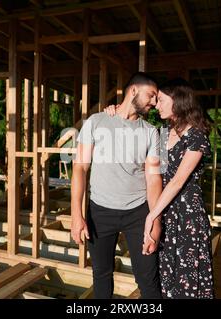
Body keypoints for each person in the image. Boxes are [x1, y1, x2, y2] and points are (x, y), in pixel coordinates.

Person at [104, 78, 214, 299]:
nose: (156, 104)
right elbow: (156, 173)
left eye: (161, 99)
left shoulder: (197, 137)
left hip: (186, 217)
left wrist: (151, 215)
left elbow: (177, 181)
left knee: (186, 279)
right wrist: (115, 111)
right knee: (162, 276)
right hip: (164, 211)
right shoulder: (163, 132)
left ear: (178, 101)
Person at [71, 72, 163, 299]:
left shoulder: (151, 132)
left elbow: (153, 179)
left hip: (138, 213)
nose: (155, 102)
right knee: (101, 275)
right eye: (151, 95)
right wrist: (76, 214)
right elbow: (80, 169)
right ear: (133, 90)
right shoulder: (96, 122)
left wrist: (156, 220)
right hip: (100, 211)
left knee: (148, 279)